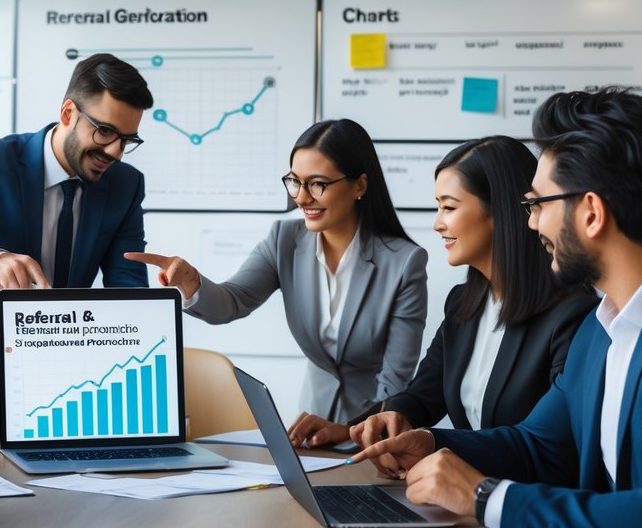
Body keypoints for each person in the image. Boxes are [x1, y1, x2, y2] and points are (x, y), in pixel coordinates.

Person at [353, 88, 642, 528]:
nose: (530, 223)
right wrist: (431, 441)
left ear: (591, 213)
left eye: (537, 205)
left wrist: (488, 499)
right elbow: (539, 446)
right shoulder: (602, 327)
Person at [128, 118, 427, 443]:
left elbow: (396, 382)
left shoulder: (404, 263)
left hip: (375, 435)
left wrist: (352, 432)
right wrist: (191, 283)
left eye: (317, 184)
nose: (301, 197)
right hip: (310, 430)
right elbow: (234, 301)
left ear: (359, 186)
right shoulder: (284, 240)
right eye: (295, 182)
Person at [289, 136, 597, 452]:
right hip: (456, 492)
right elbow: (422, 397)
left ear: (500, 211)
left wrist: (435, 444)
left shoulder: (573, 316)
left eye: (448, 207)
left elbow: (549, 445)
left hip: (513, 496)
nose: (437, 224)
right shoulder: (463, 305)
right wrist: (350, 429)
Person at [0, 53, 153, 372]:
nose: (114, 152)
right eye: (105, 132)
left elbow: (128, 288)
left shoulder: (126, 184)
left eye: (126, 140)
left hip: (50, 368)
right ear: (69, 113)